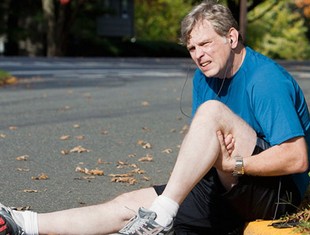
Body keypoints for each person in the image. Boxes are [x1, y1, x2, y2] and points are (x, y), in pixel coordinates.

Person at [0, 0, 309, 234]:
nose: (198, 54)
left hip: (279, 194)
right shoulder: (205, 77)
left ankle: (163, 213)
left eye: (205, 44)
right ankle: (25, 223)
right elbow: (205, 145)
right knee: (128, 207)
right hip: (231, 184)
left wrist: (235, 164)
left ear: (231, 37)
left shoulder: (265, 79)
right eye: (191, 48)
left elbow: (296, 158)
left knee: (211, 114)